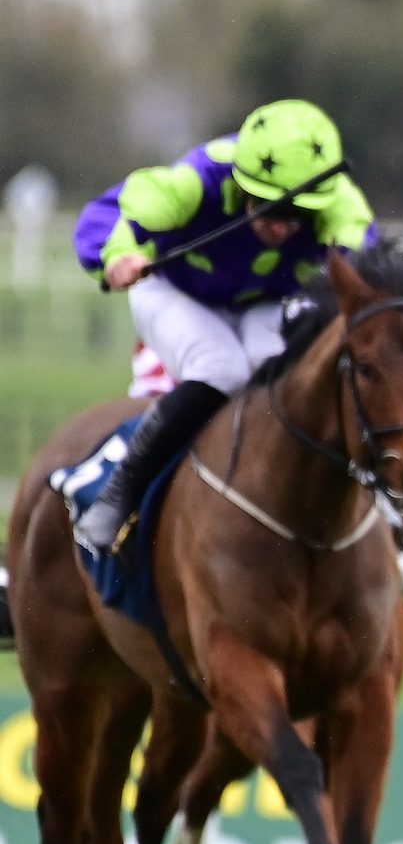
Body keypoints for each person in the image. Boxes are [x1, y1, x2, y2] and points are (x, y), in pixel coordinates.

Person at [69, 99, 378, 553]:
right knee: (224, 369)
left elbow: (367, 265)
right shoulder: (199, 179)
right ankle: (120, 495)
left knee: (284, 375)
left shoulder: (338, 201)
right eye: (268, 211)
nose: (281, 228)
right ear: (241, 184)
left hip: (261, 302)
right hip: (175, 294)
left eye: (296, 216)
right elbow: (108, 216)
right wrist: (116, 258)